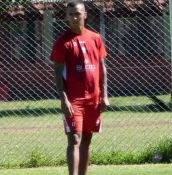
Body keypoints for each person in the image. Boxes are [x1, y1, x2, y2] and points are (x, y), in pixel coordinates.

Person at [50, 1, 109, 175]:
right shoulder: (62, 41)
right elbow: (58, 72)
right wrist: (63, 98)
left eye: (77, 13)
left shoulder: (95, 38)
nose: (74, 17)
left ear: (85, 14)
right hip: (73, 99)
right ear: (66, 17)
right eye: (70, 14)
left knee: (87, 140)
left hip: (93, 98)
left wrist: (104, 94)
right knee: (74, 138)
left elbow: (102, 67)